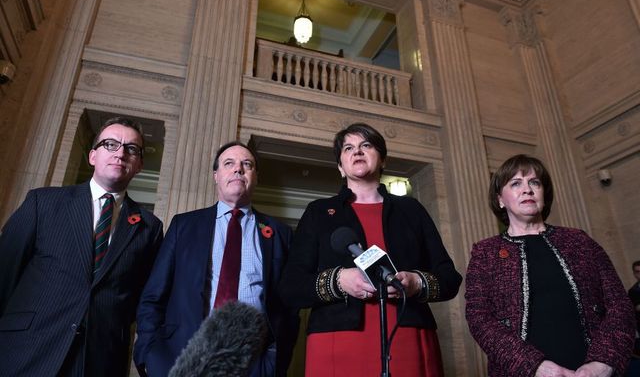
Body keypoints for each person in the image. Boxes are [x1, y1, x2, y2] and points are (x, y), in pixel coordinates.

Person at [278, 122, 462, 376]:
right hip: (337, 342)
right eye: (349, 148)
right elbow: (290, 287)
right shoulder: (318, 212)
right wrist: (339, 280)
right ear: (341, 167)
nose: (358, 151)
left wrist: (415, 283)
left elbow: (449, 278)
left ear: (382, 159)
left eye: (366, 145)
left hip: (408, 338)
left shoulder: (411, 210)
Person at [0, 116, 164, 376]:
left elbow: (140, 299)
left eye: (131, 149)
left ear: (140, 165)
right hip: (25, 352)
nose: (120, 153)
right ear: (92, 156)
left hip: (98, 361)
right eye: (110, 144)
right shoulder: (42, 203)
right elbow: (4, 273)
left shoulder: (149, 227)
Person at [134, 141, 299, 377]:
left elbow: (288, 309)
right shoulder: (185, 225)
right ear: (216, 175)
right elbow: (153, 297)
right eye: (229, 163)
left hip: (253, 363)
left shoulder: (280, 233)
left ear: (255, 176)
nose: (238, 169)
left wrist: (275, 362)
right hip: (183, 357)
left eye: (247, 164)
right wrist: (150, 355)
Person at [465, 154, 635, 377]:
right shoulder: (485, 252)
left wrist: (603, 362)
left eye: (534, 182)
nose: (527, 189)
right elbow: (480, 318)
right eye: (516, 183)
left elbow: (620, 306)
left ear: (544, 193)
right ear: (500, 200)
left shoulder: (579, 240)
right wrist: (534, 366)